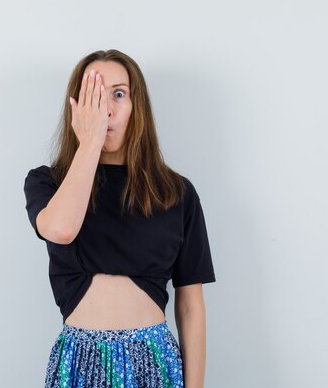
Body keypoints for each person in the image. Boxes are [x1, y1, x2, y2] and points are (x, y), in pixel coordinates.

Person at [23, 49, 216, 388]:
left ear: (136, 105)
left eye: (118, 94)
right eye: (93, 96)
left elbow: (190, 306)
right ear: (77, 108)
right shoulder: (48, 181)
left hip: (152, 361)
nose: (106, 109)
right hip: (79, 363)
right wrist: (91, 142)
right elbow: (61, 229)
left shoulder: (175, 192)